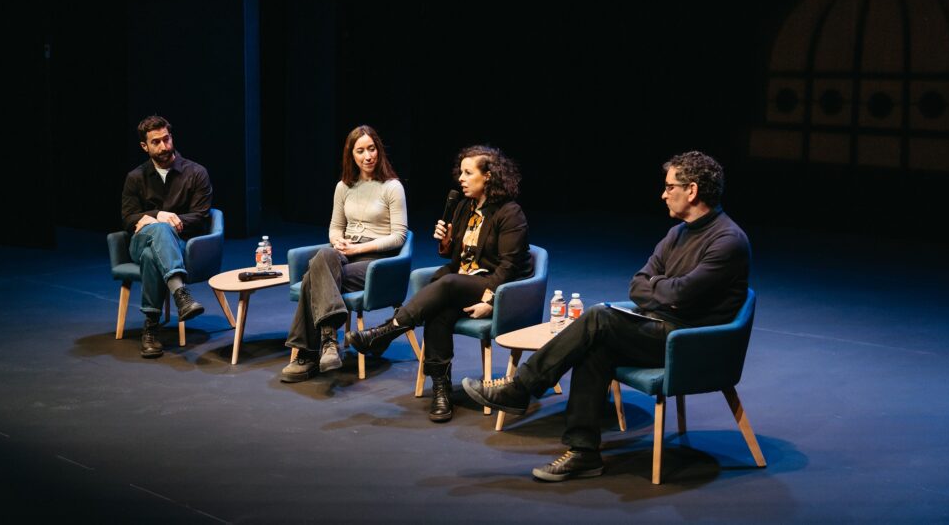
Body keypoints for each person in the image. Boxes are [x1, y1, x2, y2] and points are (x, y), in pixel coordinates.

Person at [462, 151, 750, 481]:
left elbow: (680, 294)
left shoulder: (728, 240)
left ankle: (521, 387)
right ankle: (584, 452)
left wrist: (663, 289)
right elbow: (638, 285)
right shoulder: (677, 234)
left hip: (691, 342)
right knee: (595, 346)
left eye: (670, 187)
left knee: (599, 318)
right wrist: (664, 288)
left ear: (693, 190)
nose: (663, 193)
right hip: (659, 326)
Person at [346, 145, 532, 422]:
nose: (461, 178)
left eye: (469, 173)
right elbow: (456, 257)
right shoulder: (464, 207)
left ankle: (388, 329)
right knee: (438, 310)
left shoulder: (510, 213)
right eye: (461, 172)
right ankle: (441, 389)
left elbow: (509, 266)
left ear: (489, 177)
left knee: (447, 284)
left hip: (495, 286)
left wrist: (489, 301)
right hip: (463, 284)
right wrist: (446, 242)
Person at [280, 125, 408, 382]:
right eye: (360, 151)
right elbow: (335, 228)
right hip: (346, 254)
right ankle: (327, 340)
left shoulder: (392, 187)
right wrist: (338, 242)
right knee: (324, 256)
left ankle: (308, 353)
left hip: (376, 261)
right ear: (351, 155)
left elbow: (399, 237)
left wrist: (358, 248)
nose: (367, 156)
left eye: (371, 149)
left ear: (379, 150)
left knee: (312, 277)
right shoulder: (344, 187)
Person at [121, 115, 212, 359]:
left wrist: (172, 221)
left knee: (155, 252)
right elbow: (128, 218)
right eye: (156, 142)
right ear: (145, 146)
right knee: (157, 232)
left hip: (180, 245)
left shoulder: (196, 173)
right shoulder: (135, 177)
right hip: (139, 244)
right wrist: (158, 215)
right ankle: (181, 295)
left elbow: (202, 216)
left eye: (167, 139)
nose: (164, 146)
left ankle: (151, 326)